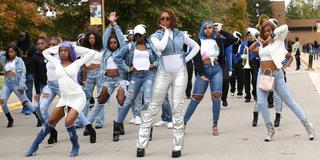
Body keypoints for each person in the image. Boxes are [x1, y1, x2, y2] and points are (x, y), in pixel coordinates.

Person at [136, 9, 200, 158]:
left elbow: (196, 47)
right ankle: (141, 144)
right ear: (159, 21)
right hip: (163, 72)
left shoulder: (180, 34)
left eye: (167, 19)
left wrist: (186, 58)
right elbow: (160, 47)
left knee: (177, 107)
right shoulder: (155, 36)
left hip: (180, 73)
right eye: (162, 19)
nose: (165, 21)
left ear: (172, 20)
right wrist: (165, 32)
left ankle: (177, 146)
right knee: (153, 107)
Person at [25, 41, 96, 157]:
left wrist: (73, 47)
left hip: (78, 97)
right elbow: (45, 52)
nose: (63, 53)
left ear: (70, 52)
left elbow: (91, 52)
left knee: (68, 121)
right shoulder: (56, 63)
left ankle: (75, 145)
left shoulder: (77, 63)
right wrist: (60, 46)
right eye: (61, 51)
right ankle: (35, 145)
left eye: (65, 51)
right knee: (50, 122)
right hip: (65, 98)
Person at [248, 21, 314, 142]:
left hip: (276, 75)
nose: (267, 32)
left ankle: (308, 126)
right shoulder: (262, 45)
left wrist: (283, 66)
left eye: (269, 30)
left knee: (289, 101)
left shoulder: (279, 42)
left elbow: (285, 27)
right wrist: (259, 39)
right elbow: (250, 49)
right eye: (265, 31)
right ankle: (270, 130)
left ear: (273, 31)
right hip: (263, 76)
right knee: (262, 103)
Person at [183, 21, 236, 136]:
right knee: (196, 98)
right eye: (206, 28)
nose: (208, 29)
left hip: (216, 69)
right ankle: (183, 122)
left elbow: (232, 39)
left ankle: (215, 125)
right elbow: (196, 59)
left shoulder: (218, 40)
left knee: (216, 96)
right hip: (204, 70)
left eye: (211, 28)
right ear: (203, 29)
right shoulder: (198, 41)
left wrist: (220, 31)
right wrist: (201, 73)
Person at [112, 24, 158, 141]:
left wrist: (154, 64)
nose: (137, 37)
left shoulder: (150, 46)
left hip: (148, 75)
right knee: (128, 102)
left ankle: (147, 128)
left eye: (139, 35)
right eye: (135, 35)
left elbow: (159, 58)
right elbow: (117, 57)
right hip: (135, 76)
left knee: (147, 101)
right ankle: (117, 126)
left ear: (144, 35)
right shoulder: (129, 47)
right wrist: (127, 68)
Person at [0, 46, 42, 127]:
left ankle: (39, 118)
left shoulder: (20, 61)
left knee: (25, 101)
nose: (10, 53)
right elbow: (1, 54)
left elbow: (23, 74)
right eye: (9, 52)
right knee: (2, 102)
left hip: (17, 84)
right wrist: (5, 52)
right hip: (7, 84)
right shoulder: (5, 59)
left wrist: (21, 86)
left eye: (12, 52)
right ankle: (10, 119)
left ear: (16, 52)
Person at [17, 31, 36, 115]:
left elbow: (34, 59)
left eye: (23, 36)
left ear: (26, 36)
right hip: (19, 73)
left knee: (28, 90)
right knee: (21, 91)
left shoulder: (31, 46)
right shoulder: (18, 46)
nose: (21, 38)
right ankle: (24, 106)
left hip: (29, 71)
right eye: (20, 36)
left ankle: (29, 108)